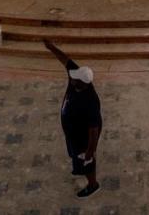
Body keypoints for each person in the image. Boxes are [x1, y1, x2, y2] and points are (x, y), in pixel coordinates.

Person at [43, 40, 102, 198]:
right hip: (73, 134)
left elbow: (94, 129)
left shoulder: (90, 101)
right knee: (75, 155)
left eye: (74, 78)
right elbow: (65, 60)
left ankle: (92, 184)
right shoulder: (76, 77)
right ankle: (79, 167)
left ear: (83, 83)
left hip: (83, 138)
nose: (71, 77)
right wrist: (51, 47)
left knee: (86, 162)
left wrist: (90, 150)